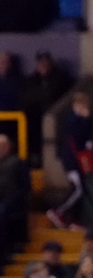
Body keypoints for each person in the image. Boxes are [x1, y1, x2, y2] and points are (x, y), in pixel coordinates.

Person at [47, 92, 92, 229]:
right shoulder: (70, 119)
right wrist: (86, 119)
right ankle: (57, 211)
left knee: (82, 189)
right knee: (77, 188)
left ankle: (74, 220)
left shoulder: (82, 120)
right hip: (71, 159)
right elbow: (77, 136)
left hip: (79, 159)